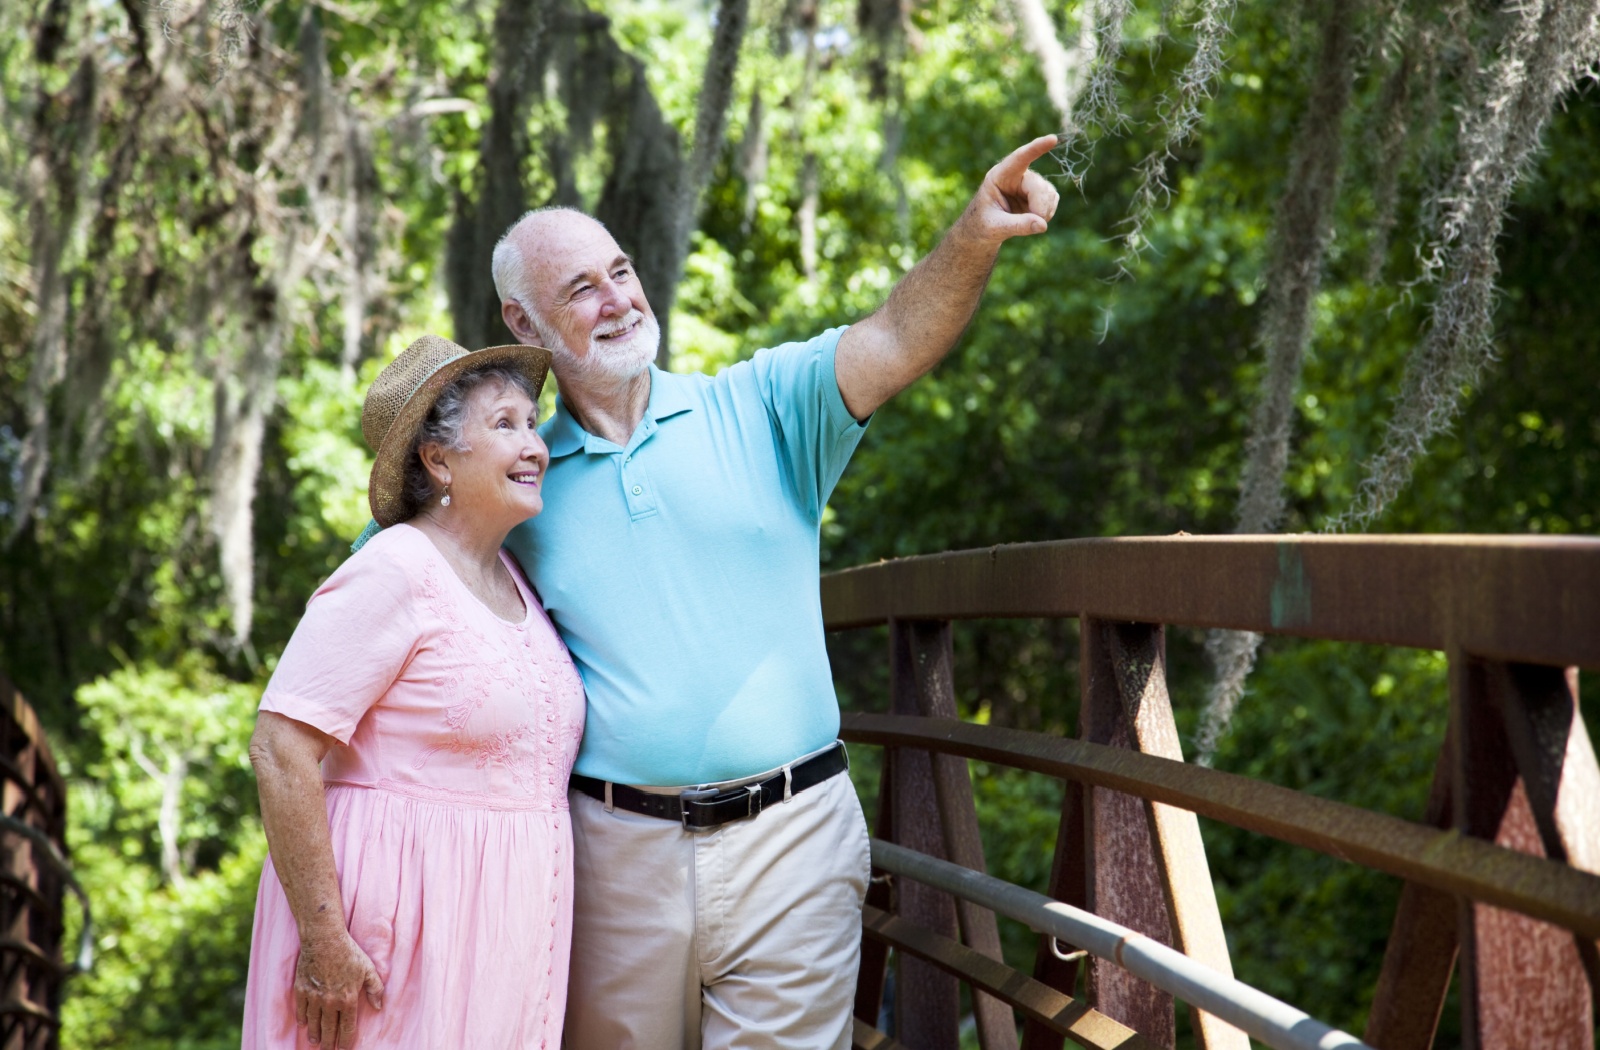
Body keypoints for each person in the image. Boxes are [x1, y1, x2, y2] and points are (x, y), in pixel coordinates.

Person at [489, 134, 1062, 1049]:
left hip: (793, 839)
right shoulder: (515, 481)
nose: (619, 300)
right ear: (525, 326)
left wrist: (975, 233)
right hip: (611, 858)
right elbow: (403, 583)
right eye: (582, 289)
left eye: (622, 271)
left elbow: (894, 336)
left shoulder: (759, 403)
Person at [242, 336, 585, 1050]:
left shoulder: (514, 579)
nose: (536, 446)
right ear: (438, 459)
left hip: (502, 942)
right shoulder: (394, 569)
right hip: (392, 938)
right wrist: (324, 938)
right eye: (505, 426)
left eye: (532, 423)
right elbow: (280, 748)